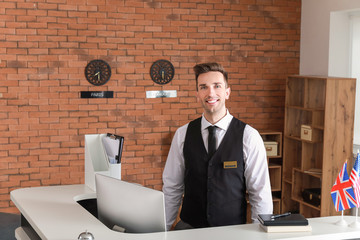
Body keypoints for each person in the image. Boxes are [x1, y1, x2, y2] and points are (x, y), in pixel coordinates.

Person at [162, 62, 273, 230]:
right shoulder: (182, 134)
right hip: (189, 229)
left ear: (227, 92)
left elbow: (260, 193)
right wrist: (162, 229)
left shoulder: (249, 136)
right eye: (203, 87)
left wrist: (260, 233)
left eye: (217, 86)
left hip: (233, 231)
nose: (210, 93)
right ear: (197, 94)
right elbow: (172, 187)